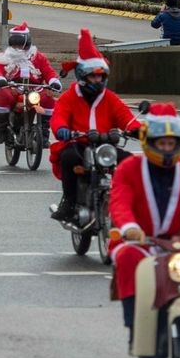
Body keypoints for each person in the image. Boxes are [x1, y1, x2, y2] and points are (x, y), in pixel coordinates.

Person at [108, 103, 180, 339]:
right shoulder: (128, 168)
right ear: (148, 142)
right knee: (128, 259)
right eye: (161, 143)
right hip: (138, 241)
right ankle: (135, 326)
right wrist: (130, 228)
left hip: (175, 241)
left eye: (171, 144)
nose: (167, 149)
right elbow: (119, 202)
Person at [49, 29, 141, 222]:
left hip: (105, 145)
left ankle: (126, 202)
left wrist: (136, 129)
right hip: (79, 143)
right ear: (83, 75)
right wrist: (62, 130)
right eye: (93, 76)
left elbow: (125, 115)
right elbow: (59, 117)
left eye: (100, 76)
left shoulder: (109, 97)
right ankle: (69, 202)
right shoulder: (70, 96)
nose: (97, 80)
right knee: (68, 157)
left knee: (130, 162)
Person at [0, 22, 61, 144]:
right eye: (14, 45)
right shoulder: (4, 57)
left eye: (19, 44)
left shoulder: (38, 57)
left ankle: (43, 132)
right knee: (2, 95)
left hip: (34, 89)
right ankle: (1, 130)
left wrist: (54, 82)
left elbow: (49, 72)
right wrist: (0, 80)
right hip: (12, 87)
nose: (17, 48)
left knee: (49, 98)